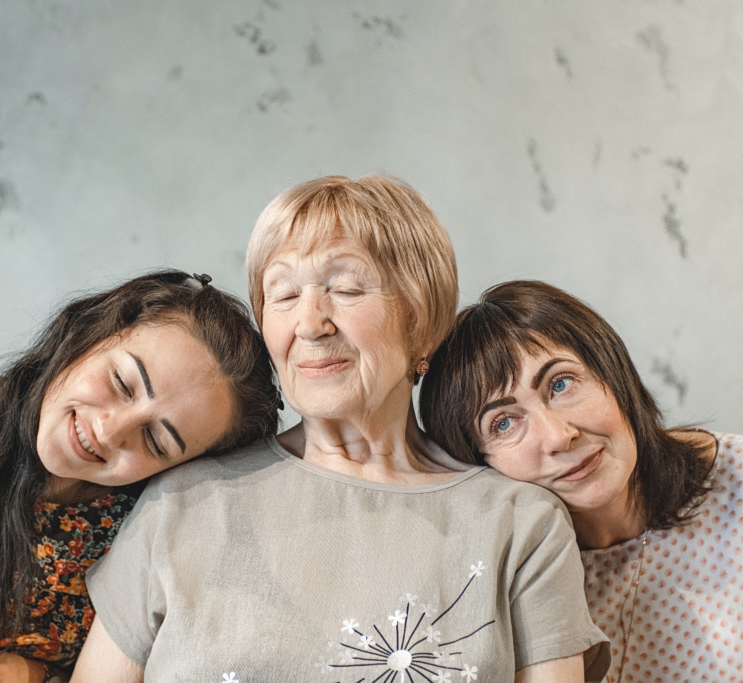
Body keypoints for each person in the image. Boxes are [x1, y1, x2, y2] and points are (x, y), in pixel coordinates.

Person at [72, 176, 610, 682]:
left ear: (420, 320)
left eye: (347, 289)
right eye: (283, 296)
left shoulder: (520, 525)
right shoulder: (180, 504)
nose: (309, 323)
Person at [0, 269, 280, 683]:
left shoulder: (145, 522)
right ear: (92, 333)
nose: (109, 431)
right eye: (122, 383)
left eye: (156, 441)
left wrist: (37, 676)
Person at [419, 279, 743, 682]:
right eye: (504, 423)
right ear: (476, 462)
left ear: (613, 372)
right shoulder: (488, 569)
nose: (559, 436)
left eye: (561, 384)